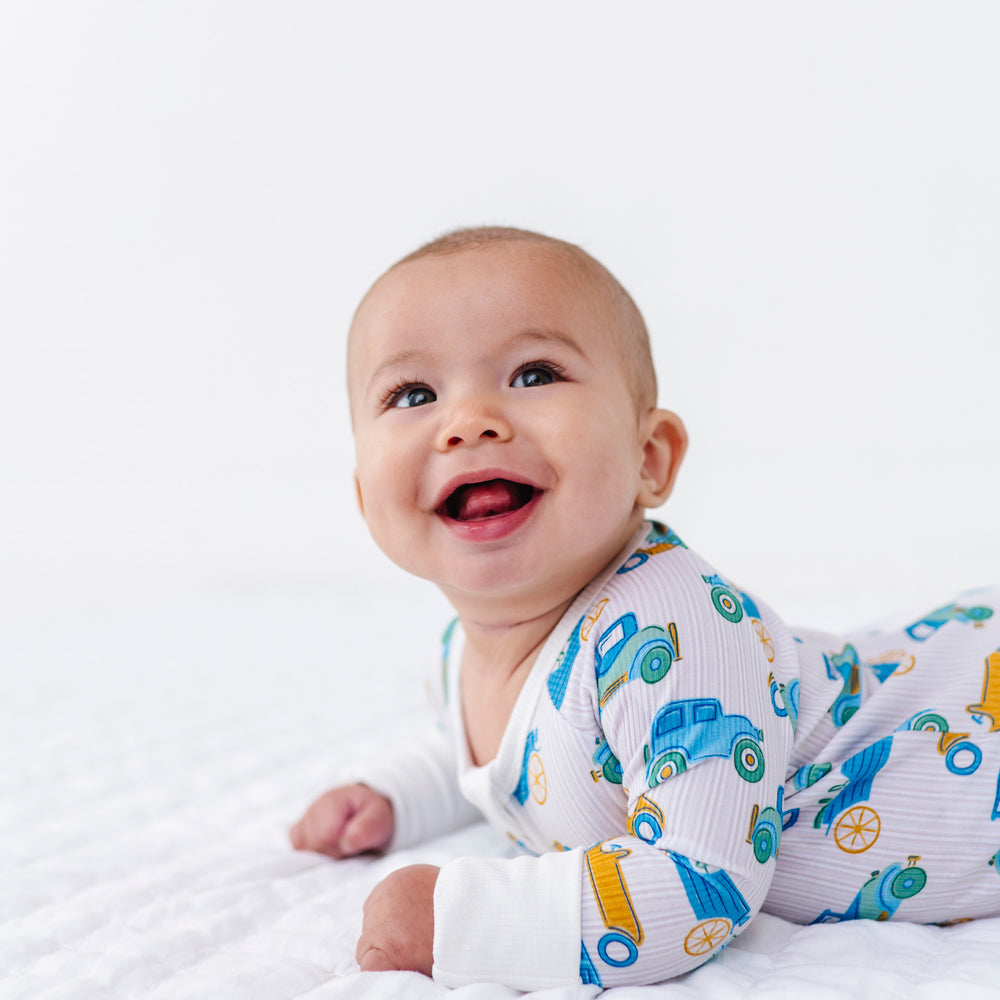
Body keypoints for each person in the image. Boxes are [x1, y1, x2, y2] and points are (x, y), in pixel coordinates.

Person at [289, 226, 1000, 989]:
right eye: (414, 395)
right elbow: (519, 757)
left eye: (534, 373)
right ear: (365, 499)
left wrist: (462, 921)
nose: (470, 420)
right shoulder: (460, 653)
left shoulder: (669, 626)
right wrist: (397, 797)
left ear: (648, 457)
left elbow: (704, 881)